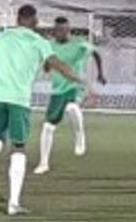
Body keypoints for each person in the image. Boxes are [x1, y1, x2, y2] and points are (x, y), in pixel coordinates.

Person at [0, 4, 91, 217]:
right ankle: (13, 203)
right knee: (18, 147)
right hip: (19, 100)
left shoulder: (2, 37)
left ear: (17, 19)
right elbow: (59, 65)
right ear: (34, 21)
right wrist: (82, 81)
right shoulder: (39, 42)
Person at [35, 16, 107, 174]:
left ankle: (79, 136)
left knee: (72, 107)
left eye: (64, 30)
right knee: (48, 126)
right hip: (57, 90)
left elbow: (96, 53)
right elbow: (47, 65)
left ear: (69, 30)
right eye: (58, 30)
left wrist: (100, 74)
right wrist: (46, 66)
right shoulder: (50, 45)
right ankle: (43, 162)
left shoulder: (79, 44)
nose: (60, 33)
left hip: (75, 86)